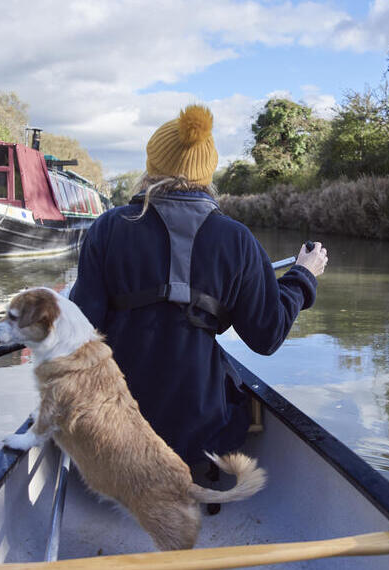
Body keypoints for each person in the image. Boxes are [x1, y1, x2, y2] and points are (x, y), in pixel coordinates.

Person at [69, 104, 328, 464]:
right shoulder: (236, 239)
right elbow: (266, 335)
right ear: (206, 174)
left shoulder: (108, 227)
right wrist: (302, 276)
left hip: (114, 433)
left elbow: (79, 331)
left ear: (152, 165)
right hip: (200, 441)